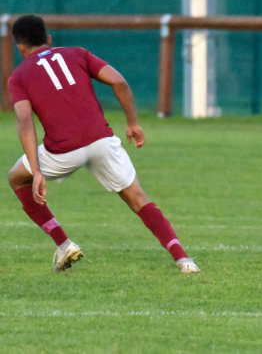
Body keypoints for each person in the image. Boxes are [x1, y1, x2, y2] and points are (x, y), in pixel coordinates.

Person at [6, 15, 199, 274]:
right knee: (138, 198)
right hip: (101, 140)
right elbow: (119, 81)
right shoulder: (78, 53)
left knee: (17, 178)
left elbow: (24, 121)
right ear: (48, 39)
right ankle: (184, 260)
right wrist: (132, 123)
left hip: (62, 150)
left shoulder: (18, 77)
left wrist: (37, 171)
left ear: (20, 47)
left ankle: (64, 244)